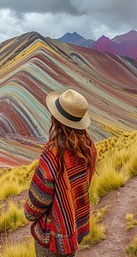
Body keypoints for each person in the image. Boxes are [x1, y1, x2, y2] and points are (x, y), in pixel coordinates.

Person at [24, 89, 97, 257]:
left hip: (52, 236)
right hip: (74, 228)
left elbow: (38, 202)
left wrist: (28, 212)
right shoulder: (88, 147)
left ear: (56, 119)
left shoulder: (53, 154)